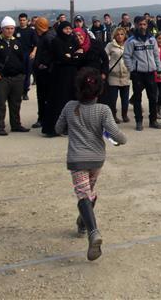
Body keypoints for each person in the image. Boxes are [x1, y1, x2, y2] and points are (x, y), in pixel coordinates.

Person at [55, 68, 127, 261]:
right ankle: (82, 222)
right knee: (88, 193)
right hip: (96, 159)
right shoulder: (103, 110)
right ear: (99, 90)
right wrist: (120, 139)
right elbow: (117, 135)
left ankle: (93, 232)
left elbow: (58, 128)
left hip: (77, 159)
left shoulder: (70, 107)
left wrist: (72, 128)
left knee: (84, 194)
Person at [0, 16, 30, 135]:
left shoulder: (16, 42)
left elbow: (22, 58)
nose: (10, 31)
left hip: (17, 78)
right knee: (0, 103)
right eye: (7, 28)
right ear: (2, 29)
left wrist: (22, 74)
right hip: (1, 78)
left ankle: (16, 124)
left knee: (16, 103)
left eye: (12, 28)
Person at [123, 16, 161, 131]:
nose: (142, 26)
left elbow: (156, 55)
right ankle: (139, 121)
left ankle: (153, 120)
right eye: (140, 24)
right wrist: (132, 69)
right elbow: (126, 56)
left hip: (151, 72)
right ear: (135, 25)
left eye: (144, 24)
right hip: (138, 73)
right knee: (137, 99)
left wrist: (159, 69)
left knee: (153, 98)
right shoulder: (131, 41)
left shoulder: (152, 39)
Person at [47, 20, 82, 137]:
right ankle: (56, 127)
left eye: (69, 29)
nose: (68, 31)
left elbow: (79, 56)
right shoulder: (56, 41)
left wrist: (70, 56)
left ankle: (69, 127)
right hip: (60, 75)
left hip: (72, 74)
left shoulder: (73, 40)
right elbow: (60, 57)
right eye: (65, 29)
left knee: (72, 100)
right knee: (60, 100)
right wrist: (71, 56)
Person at [32, 16, 55, 129]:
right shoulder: (45, 36)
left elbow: (52, 54)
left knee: (43, 97)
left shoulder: (48, 37)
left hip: (45, 73)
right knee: (43, 97)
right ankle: (43, 118)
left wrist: (44, 64)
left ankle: (43, 118)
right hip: (43, 72)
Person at [104, 27, 130, 123]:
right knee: (113, 99)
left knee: (125, 99)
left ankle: (124, 115)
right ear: (114, 35)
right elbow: (104, 57)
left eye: (122, 34)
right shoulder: (110, 45)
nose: (120, 36)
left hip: (125, 75)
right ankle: (113, 116)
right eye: (118, 34)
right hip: (113, 76)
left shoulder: (128, 45)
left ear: (125, 35)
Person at [16, 13, 38, 101]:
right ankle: (18, 92)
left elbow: (36, 44)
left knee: (27, 74)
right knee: (18, 75)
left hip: (28, 55)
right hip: (17, 55)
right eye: (20, 20)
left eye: (24, 20)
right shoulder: (15, 30)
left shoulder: (31, 31)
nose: (22, 22)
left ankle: (25, 92)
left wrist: (33, 53)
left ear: (27, 21)